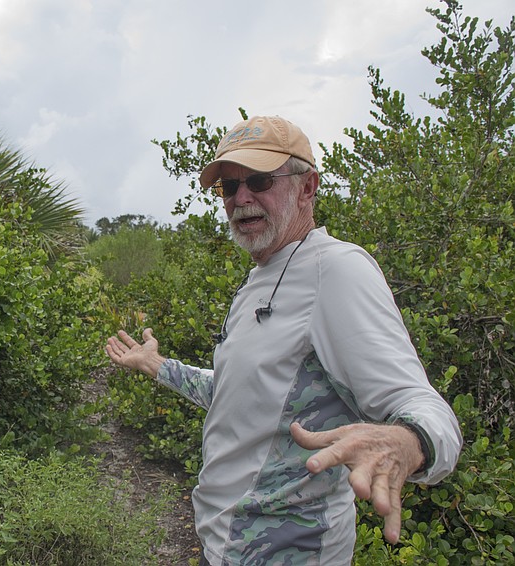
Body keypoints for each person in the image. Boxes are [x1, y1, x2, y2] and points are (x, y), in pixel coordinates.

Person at [105, 115, 462, 565]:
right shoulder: (260, 277)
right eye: (229, 187)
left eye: (258, 180)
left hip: (289, 551)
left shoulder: (335, 270)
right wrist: (156, 366)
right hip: (227, 542)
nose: (241, 198)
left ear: (307, 187)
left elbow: (421, 402)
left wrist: (410, 441)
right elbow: (239, 393)